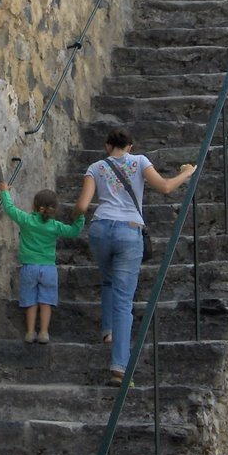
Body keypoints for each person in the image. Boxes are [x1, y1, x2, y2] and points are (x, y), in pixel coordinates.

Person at [72, 128, 196, 386]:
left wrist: (76, 219)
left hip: (100, 228)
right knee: (124, 300)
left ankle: (108, 332)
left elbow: (83, 206)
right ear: (130, 146)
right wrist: (186, 173)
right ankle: (119, 368)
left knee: (108, 280)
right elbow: (163, 187)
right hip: (129, 231)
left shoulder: (95, 167)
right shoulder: (139, 161)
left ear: (108, 146)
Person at [0, 181, 85, 344]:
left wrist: (4, 192)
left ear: (34, 205)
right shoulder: (55, 226)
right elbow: (73, 232)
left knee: (30, 300)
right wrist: (80, 216)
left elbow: (10, 210)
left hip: (29, 268)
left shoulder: (26, 220)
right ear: (55, 208)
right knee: (46, 301)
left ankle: (30, 332)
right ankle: (44, 332)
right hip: (49, 269)